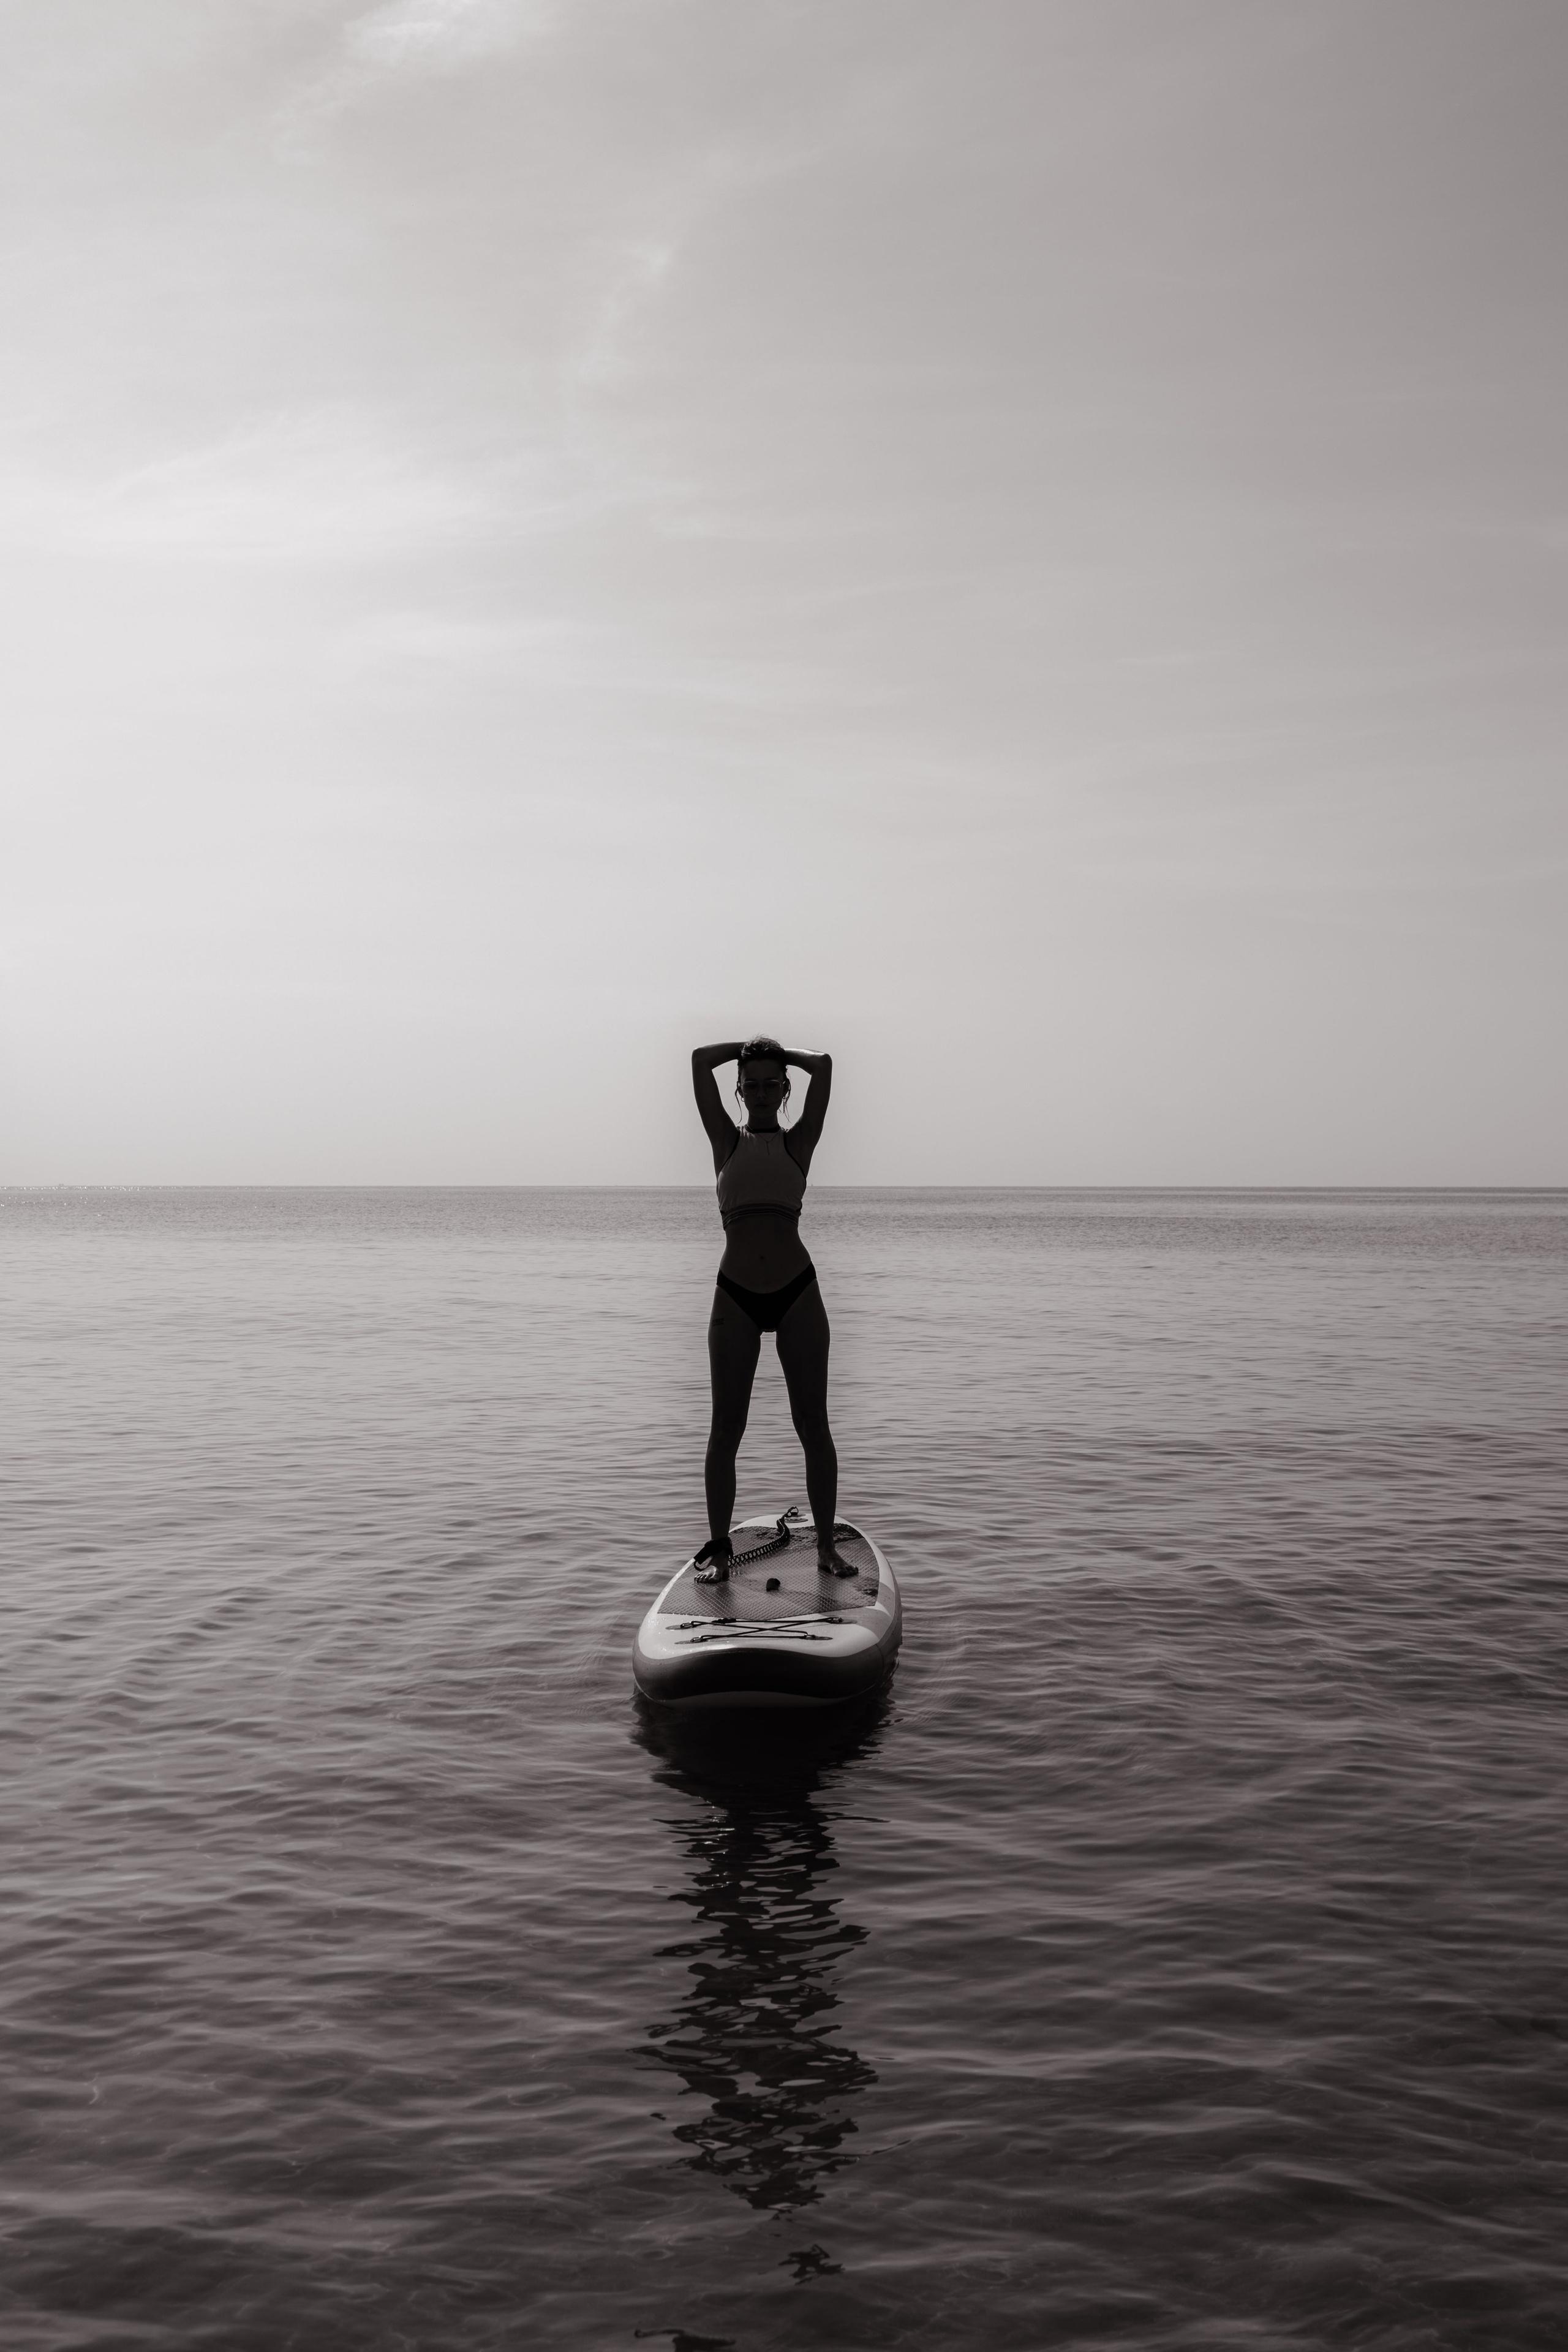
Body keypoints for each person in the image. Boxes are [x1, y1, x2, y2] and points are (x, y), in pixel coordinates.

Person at [689, 1035, 854, 1581]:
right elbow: (698, 1061)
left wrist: (779, 1052)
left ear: (785, 1090)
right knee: (725, 1430)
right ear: (739, 1090)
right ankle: (719, 1550)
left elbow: (825, 1066)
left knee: (813, 1425)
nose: (761, 1094)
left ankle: (827, 1548)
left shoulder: (800, 1142)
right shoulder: (725, 1141)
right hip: (734, 1294)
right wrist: (748, 1047)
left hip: (797, 1293)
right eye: (750, 1085)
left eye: (771, 1085)